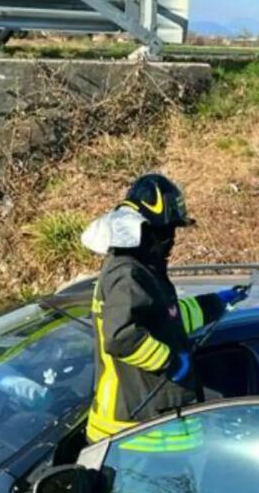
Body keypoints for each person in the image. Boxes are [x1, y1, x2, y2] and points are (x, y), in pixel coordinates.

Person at [80, 174, 248, 445]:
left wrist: (217, 302)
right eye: (167, 231)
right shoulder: (128, 274)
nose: (171, 240)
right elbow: (121, 337)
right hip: (134, 432)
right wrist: (170, 361)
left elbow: (169, 318)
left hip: (149, 428)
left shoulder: (145, 271)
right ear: (146, 230)